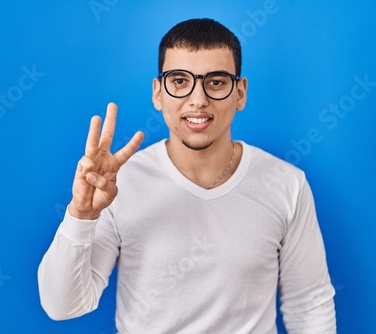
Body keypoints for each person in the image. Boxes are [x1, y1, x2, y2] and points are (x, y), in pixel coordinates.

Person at [38, 18, 336, 333]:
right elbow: (62, 306)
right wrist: (81, 214)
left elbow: (309, 305)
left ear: (240, 93)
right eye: (179, 81)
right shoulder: (117, 185)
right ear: (158, 92)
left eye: (216, 82)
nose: (198, 100)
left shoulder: (286, 183)